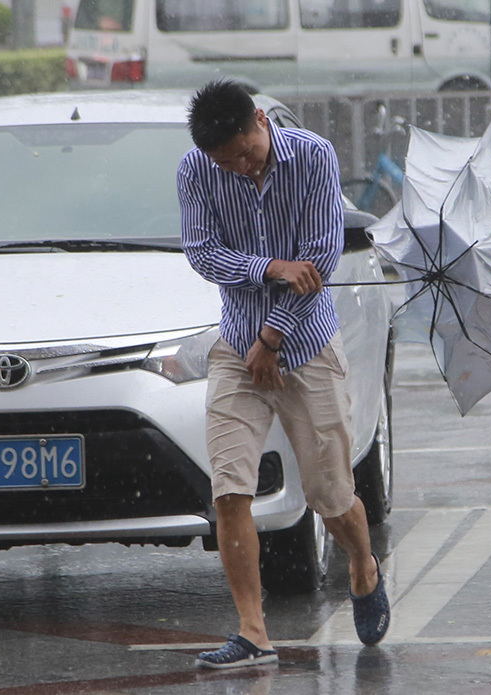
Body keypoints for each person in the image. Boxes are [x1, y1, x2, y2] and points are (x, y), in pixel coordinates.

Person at [177, 79, 390, 669]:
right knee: (229, 491)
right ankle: (253, 632)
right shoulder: (197, 170)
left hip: (306, 348)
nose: (241, 169)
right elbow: (201, 252)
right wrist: (268, 266)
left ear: (260, 123)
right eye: (228, 163)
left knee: (330, 495)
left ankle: (363, 564)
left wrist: (272, 337)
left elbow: (319, 260)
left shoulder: (314, 156)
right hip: (236, 350)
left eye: (246, 153)